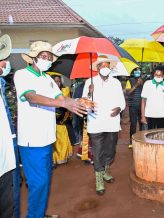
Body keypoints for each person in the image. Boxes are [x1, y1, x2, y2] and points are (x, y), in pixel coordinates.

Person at [14, 41, 93, 217]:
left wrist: (78, 101)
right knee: (39, 183)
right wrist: (64, 102)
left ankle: (39, 213)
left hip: (47, 138)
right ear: (33, 58)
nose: (48, 60)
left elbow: (60, 96)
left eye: (50, 58)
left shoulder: (48, 78)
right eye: (44, 57)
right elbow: (32, 97)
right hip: (31, 140)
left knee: (45, 181)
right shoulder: (22, 75)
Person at [82, 56, 125, 195]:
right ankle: (99, 179)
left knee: (110, 150)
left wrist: (120, 108)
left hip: (112, 123)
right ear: (98, 67)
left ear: (110, 68)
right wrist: (89, 92)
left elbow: (122, 102)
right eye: (102, 65)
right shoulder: (90, 81)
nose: (105, 68)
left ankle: (106, 172)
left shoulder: (116, 83)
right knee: (98, 151)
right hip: (95, 123)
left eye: (107, 65)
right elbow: (84, 103)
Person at [0, 34, 17, 218]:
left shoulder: (2, 84)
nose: (6, 63)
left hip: (5, 158)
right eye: (3, 59)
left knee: (7, 206)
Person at [50, 74, 75, 165]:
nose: (58, 83)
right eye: (56, 81)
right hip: (52, 120)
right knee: (55, 141)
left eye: (59, 81)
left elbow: (67, 103)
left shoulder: (65, 90)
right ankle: (55, 158)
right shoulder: (47, 92)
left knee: (63, 138)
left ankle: (63, 157)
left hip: (63, 119)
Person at [141, 65, 164, 129]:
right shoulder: (147, 84)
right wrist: (143, 116)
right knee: (149, 135)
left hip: (162, 115)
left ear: (163, 76)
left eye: (160, 75)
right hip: (149, 115)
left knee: (160, 135)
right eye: (156, 75)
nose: (158, 77)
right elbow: (143, 101)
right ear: (153, 75)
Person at [125, 68, 144, 149]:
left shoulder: (144, 81)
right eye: (136, 71)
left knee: (142, 124)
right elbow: (128, 93)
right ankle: (131, 141)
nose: (137, 72)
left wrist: (142, 84)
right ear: (133, 72)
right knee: (133, 124)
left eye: (139, 71)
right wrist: (136, 85)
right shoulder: (129, 81)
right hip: (133, 105)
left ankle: (141, 140)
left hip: (142, 105)